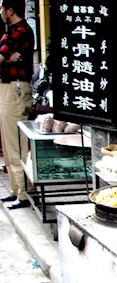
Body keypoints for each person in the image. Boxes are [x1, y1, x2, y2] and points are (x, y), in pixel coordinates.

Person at [0, 0, 34, 209]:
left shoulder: (18, 31)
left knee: (15, 142)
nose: (1, 13)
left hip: (15, 89)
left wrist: (6, 58)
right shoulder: (13, 30)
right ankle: (16, 190)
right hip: (10, 88)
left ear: (10, 10)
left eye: (2, 9)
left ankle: (22, 193)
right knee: (11, 140)